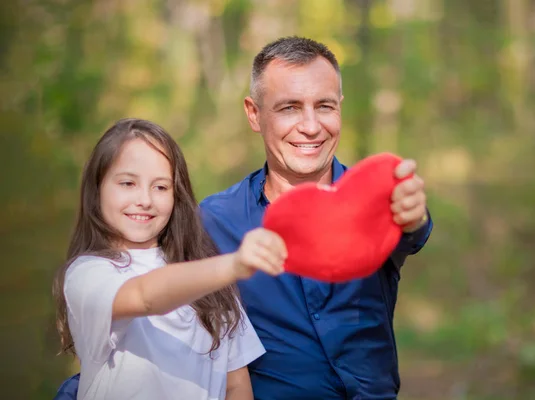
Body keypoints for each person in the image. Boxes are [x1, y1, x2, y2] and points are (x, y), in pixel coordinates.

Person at [199, 37, 433, 399]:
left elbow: (412, 227)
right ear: (254, 114)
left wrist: (413, 211)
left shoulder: (376, 199)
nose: (310, 127)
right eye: (290, 108)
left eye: (324, 106)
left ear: (340, 108)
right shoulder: (213, 222)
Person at [52, 118, 287, 400]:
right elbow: (144, 296)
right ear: (97, 188)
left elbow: (236, 384)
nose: (145, 200)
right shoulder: (88, 274)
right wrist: (234, 265)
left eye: (161, 187)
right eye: (127, 183)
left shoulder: (208, 275)